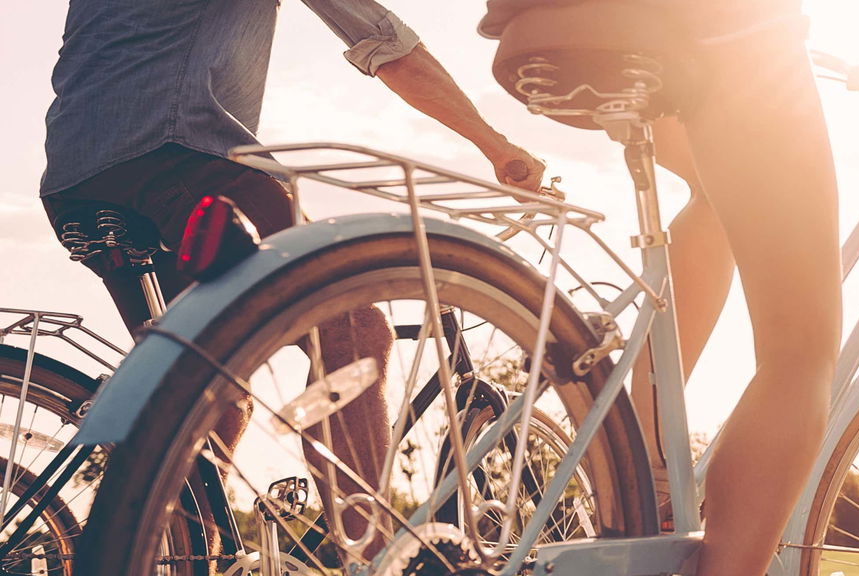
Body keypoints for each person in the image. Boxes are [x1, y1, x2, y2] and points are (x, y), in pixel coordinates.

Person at [40, 0, 547, 563]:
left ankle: (163, 557)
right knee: (350, 330)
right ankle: (374, 559)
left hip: (77, 178)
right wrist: (497, 148)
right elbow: (387, 43)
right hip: (176, 154)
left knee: (208, 392)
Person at [480, 1, 842, 573]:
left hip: (542, 38)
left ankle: (642, 453)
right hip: (720, 31)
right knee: (800, 350)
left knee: (716, 192)